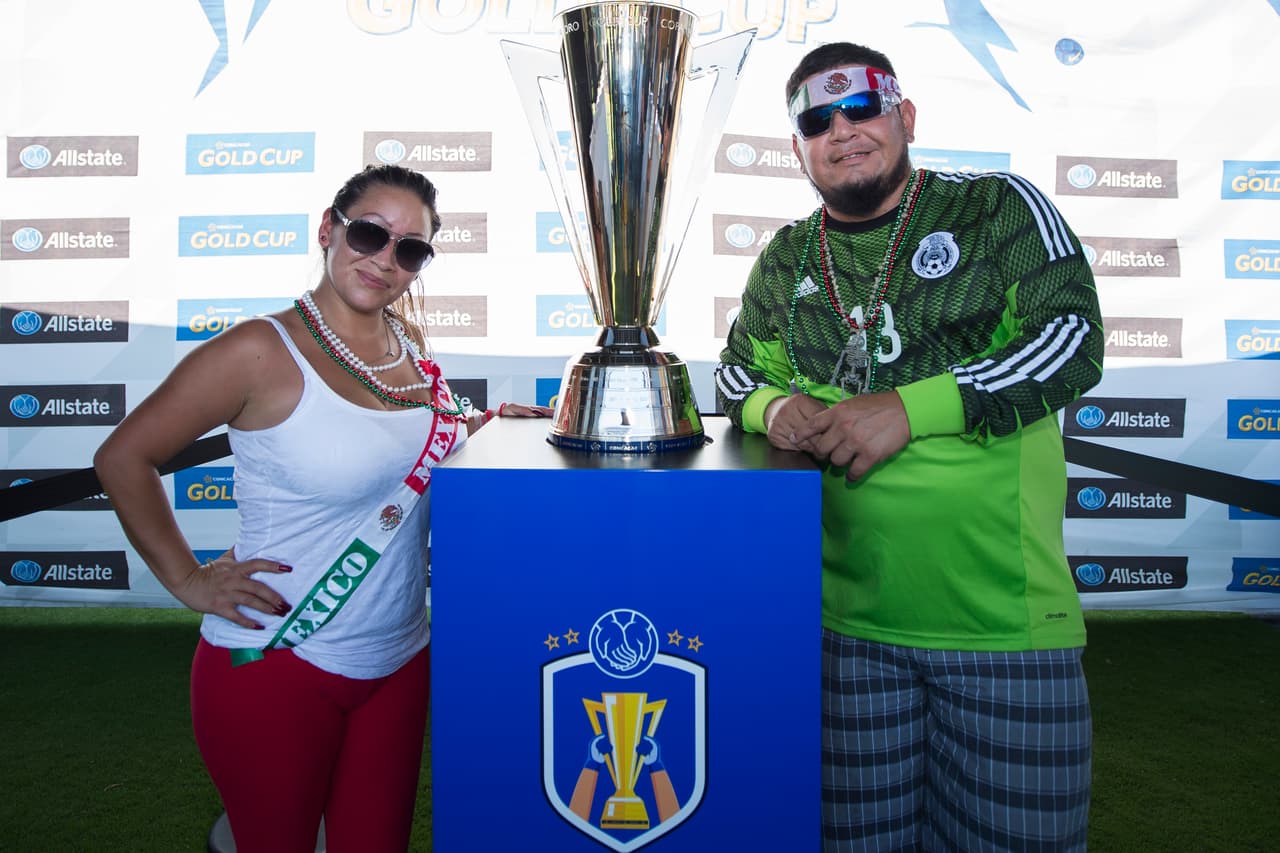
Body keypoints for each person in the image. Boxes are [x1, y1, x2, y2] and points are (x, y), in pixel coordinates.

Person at [714, 43, 1103, 851]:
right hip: (842, 630)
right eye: (818, 120)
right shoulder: (788, 256)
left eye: (861, 109)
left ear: (905, 116)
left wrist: (911, 407)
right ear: (798, 148)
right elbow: (730, 376)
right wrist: (771, 405)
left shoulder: (995, 208)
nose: (843, 131)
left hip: (1001, 627)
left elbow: (1070, 337)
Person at [94, 163, 549, 853]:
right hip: (278, 662)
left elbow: (401, 456)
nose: (385, 259)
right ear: (328, 230)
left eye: (410, 249)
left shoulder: (408, 348)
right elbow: (124, 457)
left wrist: (482, 431)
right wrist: (187, 579)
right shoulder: (257, 350)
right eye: (370, 233)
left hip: (398, 659)